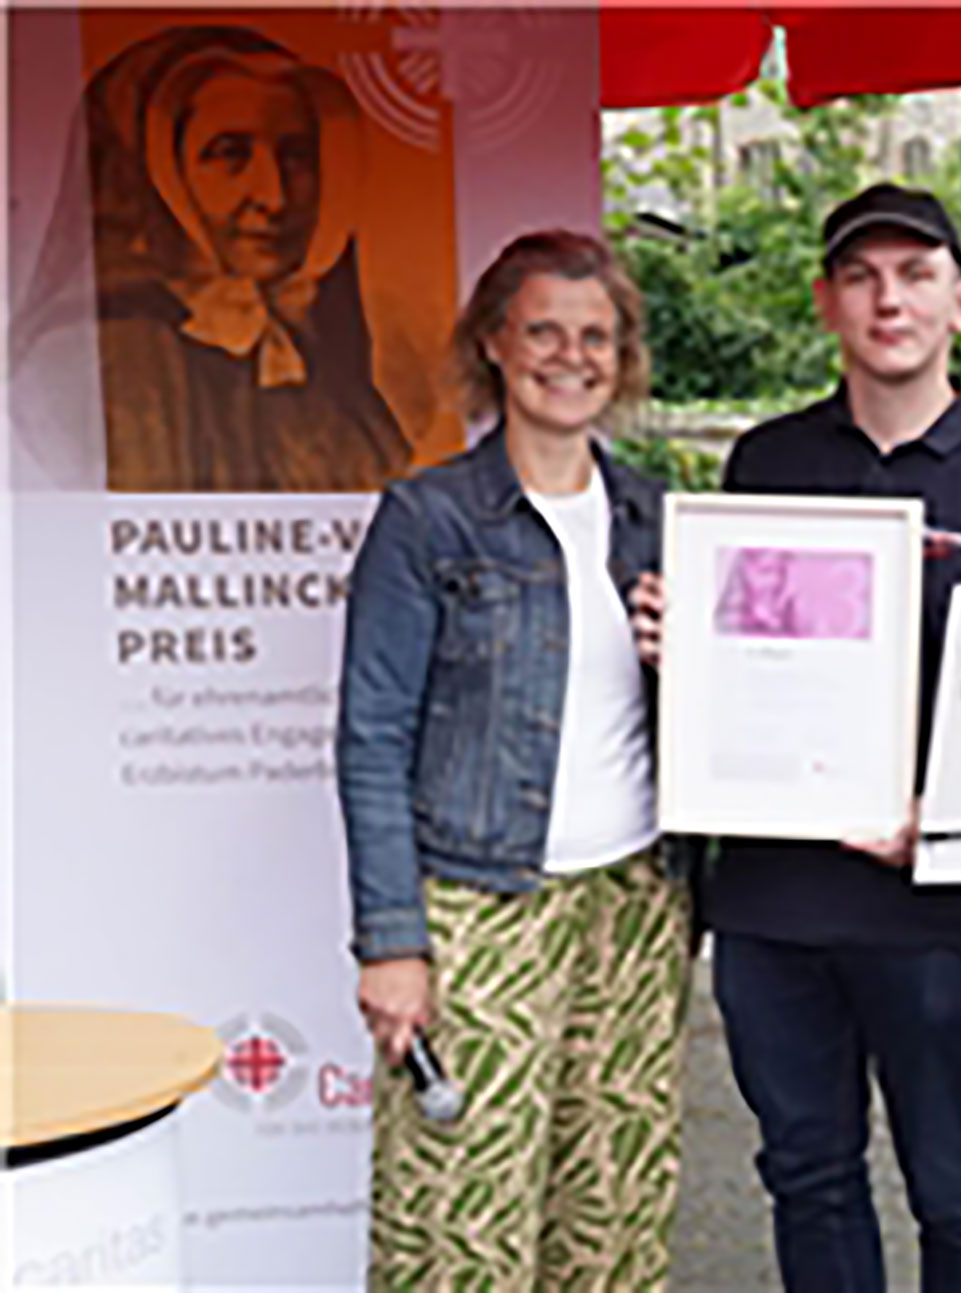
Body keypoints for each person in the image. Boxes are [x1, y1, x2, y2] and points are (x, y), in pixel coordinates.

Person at [632, 184, 961, 1292]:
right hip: (775, 907)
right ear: (825, 302)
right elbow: (750, 668)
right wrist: (680, 645)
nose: (889, 300)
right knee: (807, 1178)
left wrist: (953, 818)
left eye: (915, 274)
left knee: (957, 1188)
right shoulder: (762, 467)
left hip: (940, 915)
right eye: (861, 276)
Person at [337, 230, 692, 1289]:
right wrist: (391, 942)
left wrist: (694, 664)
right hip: (479, 909)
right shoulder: (427, 519)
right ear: (493, 342)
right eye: (543, 331)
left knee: (612, 1215)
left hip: (635, 906)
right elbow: (371, 737)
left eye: (596, 337)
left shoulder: (659, 518)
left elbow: (720, 721)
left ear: (622, 356)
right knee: (462, 1219)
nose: (570, 357)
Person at [13, 25, 407, 492]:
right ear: (157, 175)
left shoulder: (311, 362)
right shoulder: (86, 365)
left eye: (297, 157)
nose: (274, 196)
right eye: (229, 154)